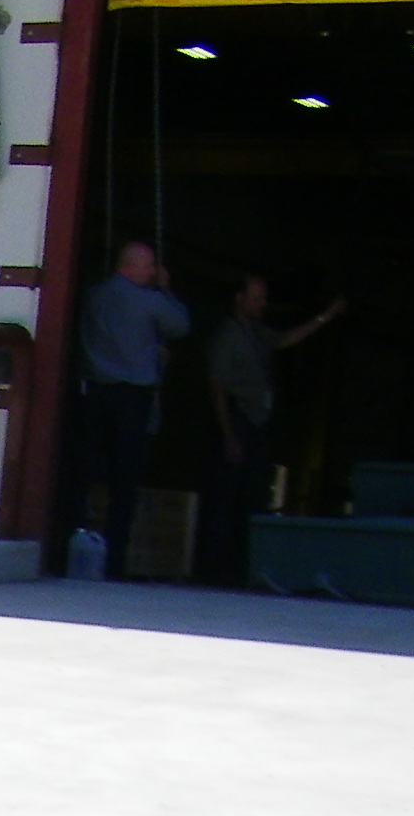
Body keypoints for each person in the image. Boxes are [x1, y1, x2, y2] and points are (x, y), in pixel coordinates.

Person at [200, 271, 345, 584]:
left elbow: (285, 339)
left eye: (263, 298)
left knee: (251, 497)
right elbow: (217, 387)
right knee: (225, 498)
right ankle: (214, 569)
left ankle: (242, 568)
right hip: (238, 421)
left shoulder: (256, 332)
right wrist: (228, 436)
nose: (262, 304)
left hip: (256, 423)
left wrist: (325, 317)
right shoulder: (228, 336)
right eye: (256, 298)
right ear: (240, 299)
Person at [75, 240, 188, 579]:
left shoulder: (94, 296)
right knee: (125, 479)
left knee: (84, 470)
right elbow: (181, 325)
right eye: (149, 265)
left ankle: (73, 544)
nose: (154, 271)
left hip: (94, 391)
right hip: (132, 398)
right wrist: (166, 289)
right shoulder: (149, 300)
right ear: (131, 265)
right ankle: (114, 561)